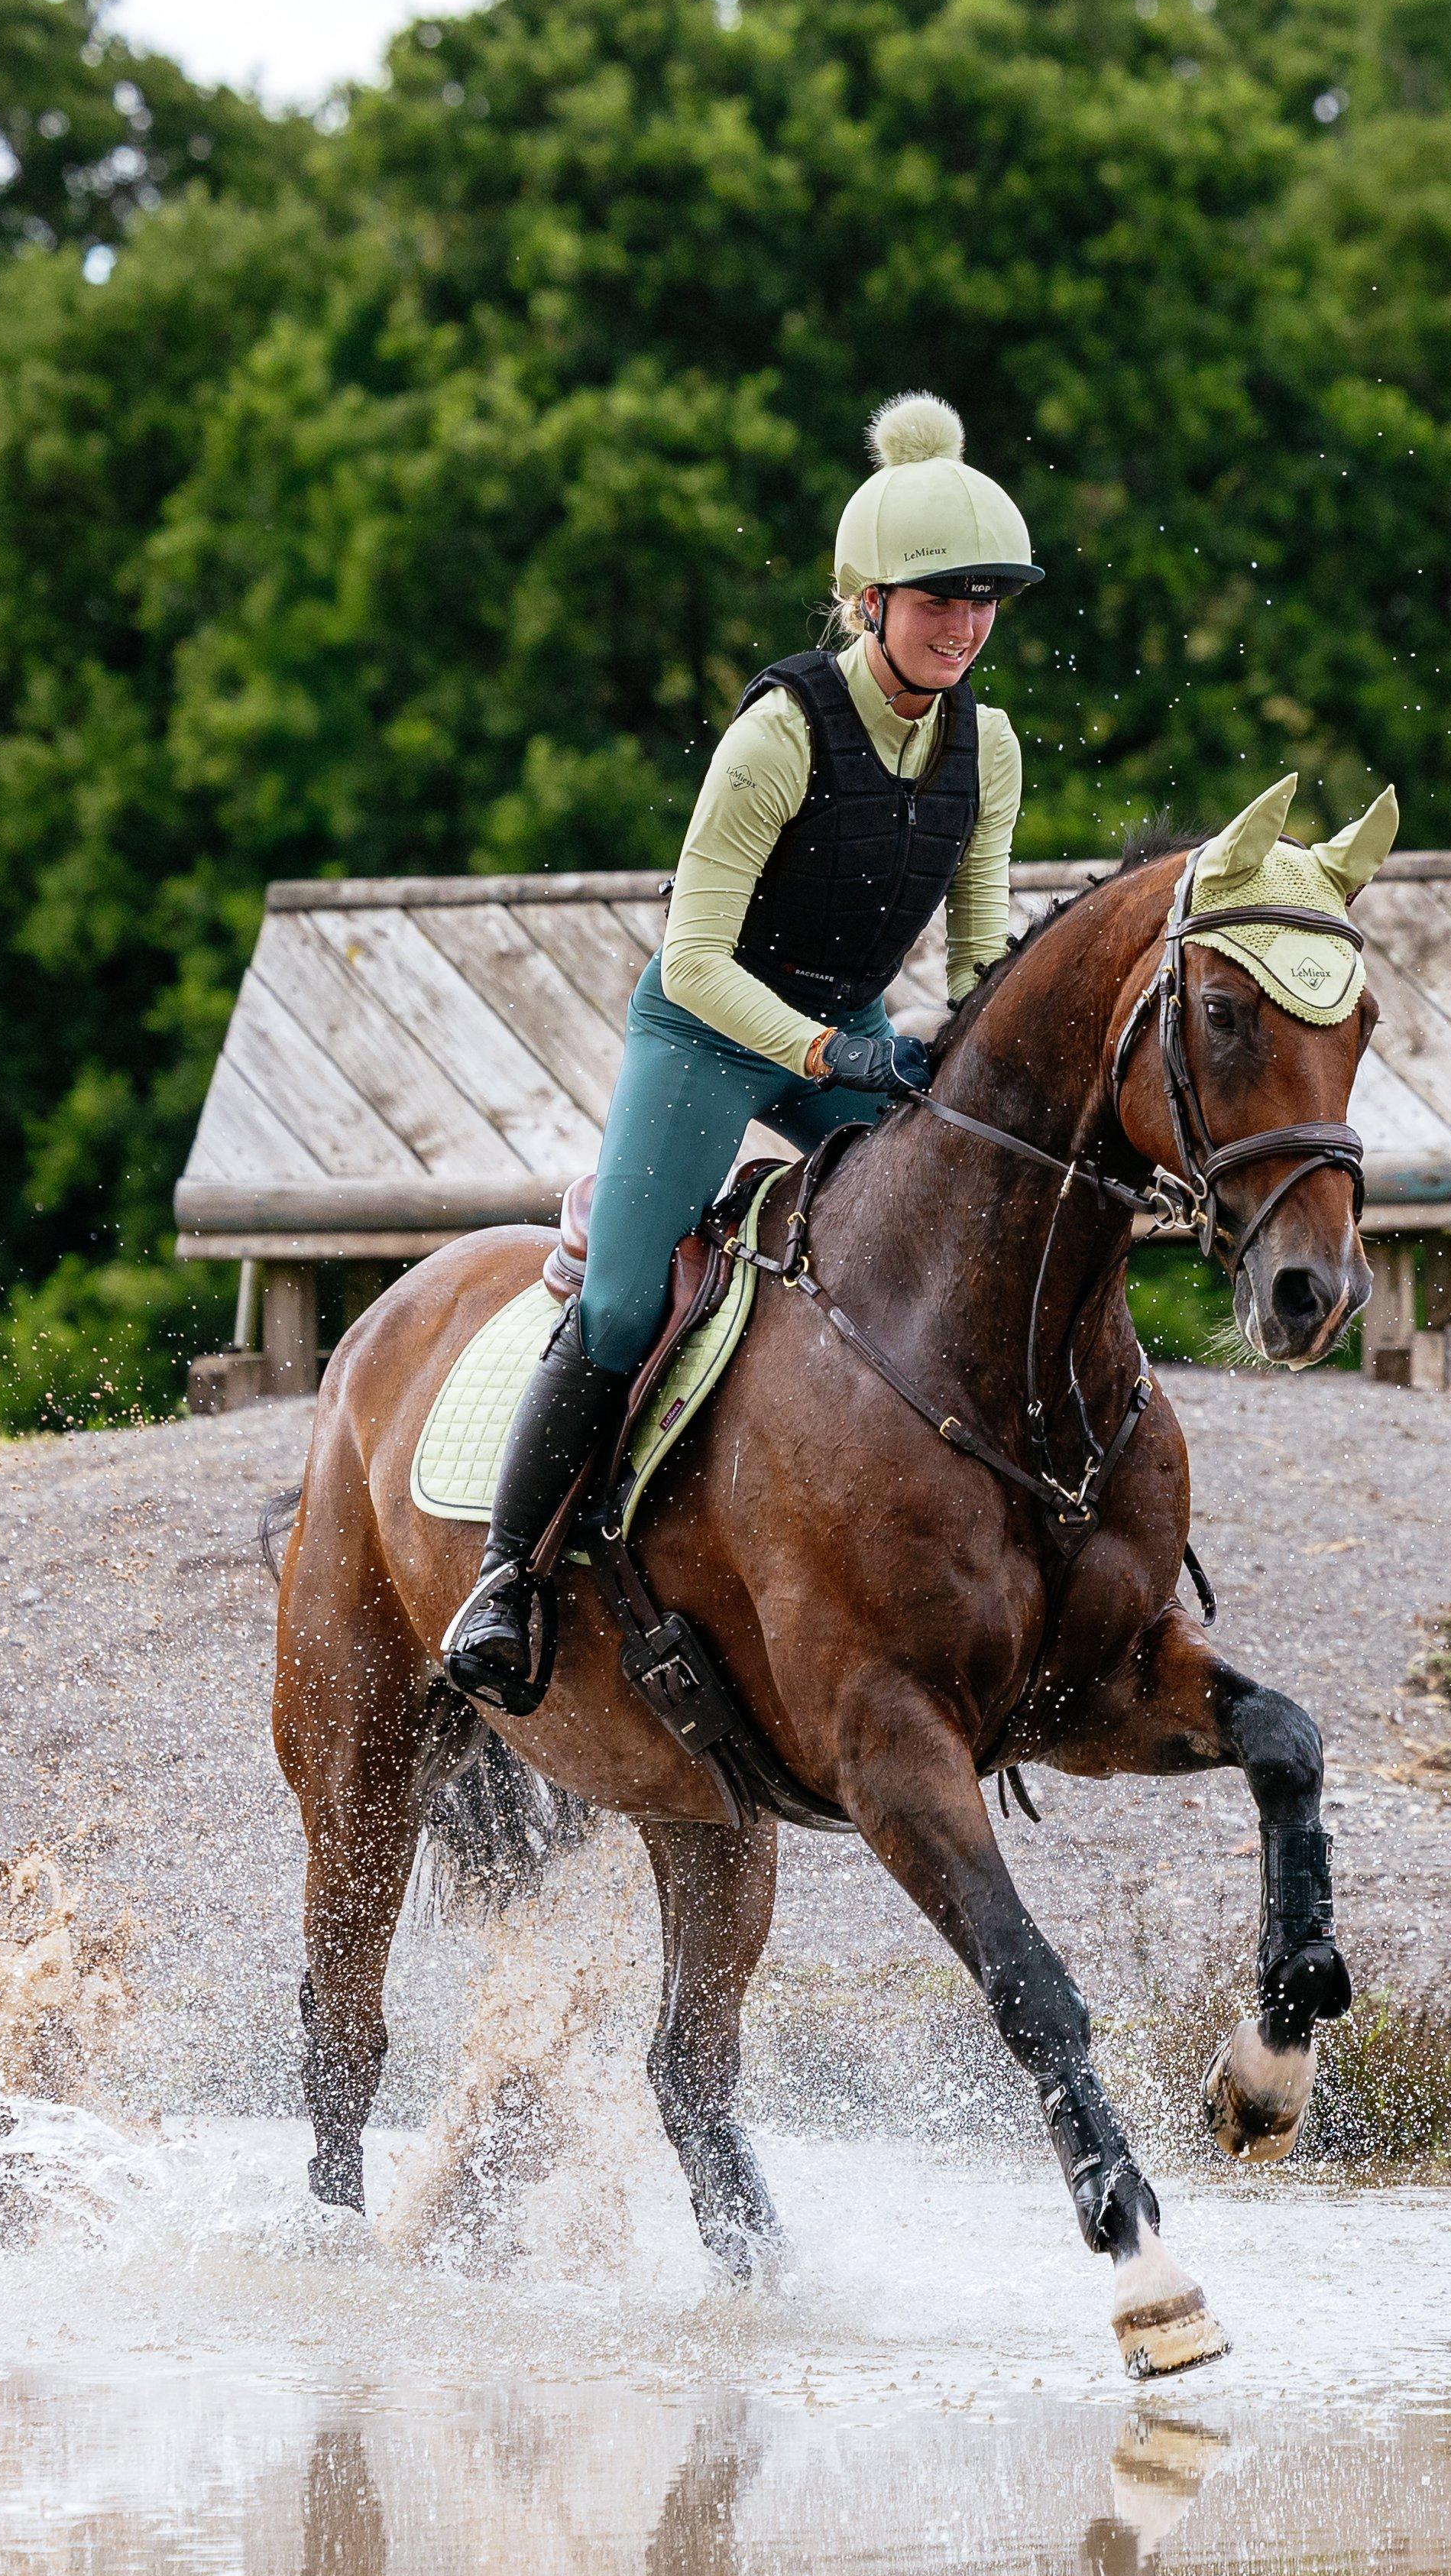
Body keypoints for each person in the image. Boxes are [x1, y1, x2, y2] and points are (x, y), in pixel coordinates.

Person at [442, 391, 1038, 1712]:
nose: (966, 623)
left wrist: (971, 1059)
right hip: (711, 1030)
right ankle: (506, 1577)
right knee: (618, 1305)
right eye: (940, 598)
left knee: (969, 1238)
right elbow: (698, 958)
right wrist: (837, 1054)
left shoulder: (987, 745)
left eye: (988, 598)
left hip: (855, 1037)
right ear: (867, 600)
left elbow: (983, 952)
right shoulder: (778, 733)